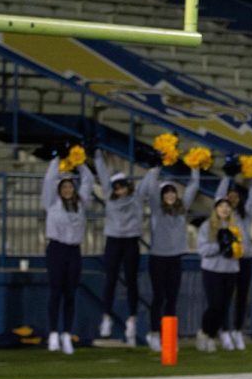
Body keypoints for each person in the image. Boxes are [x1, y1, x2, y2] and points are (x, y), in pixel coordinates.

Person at [41, 156, 94, 355]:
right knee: (56, 292)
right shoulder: (51, 202)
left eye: (70, 187)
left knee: (70, 293)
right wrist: (56, 159)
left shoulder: (81, 203)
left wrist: (78, 160)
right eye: (64, 187)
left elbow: (88, 179)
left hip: (74, 250)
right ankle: (53, 333)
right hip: (56, 249)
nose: (68, 190)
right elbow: (48, 180)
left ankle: (67, 334)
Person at [143, 167, 199, 352]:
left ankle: (169, 337)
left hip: (175, 259)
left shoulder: (182, 211)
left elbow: (193, 187)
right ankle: (154, 333)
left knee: (172, 299)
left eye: (172, 191)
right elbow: (151, 190)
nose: (169, 195)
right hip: (158, 259)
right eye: (166, 192)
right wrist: (154, 170)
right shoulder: (157, 210)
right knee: (159, 298)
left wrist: (195, 168)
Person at [94, 150, 146, 346]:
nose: (120, 190)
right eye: (116, 187)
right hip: (114, 241)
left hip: (131, 241)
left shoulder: (136, 199)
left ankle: (132, 320)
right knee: (110, 279)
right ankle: (106, 316)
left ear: (128, 186)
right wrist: (97, 155)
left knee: (132, 281)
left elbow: (148, 182)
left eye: (122, 186)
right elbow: (103, 176)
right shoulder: (109, 197)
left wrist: (154, 166)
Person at [215, 157, 252, 350]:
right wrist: (227, 177)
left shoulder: (245, 214)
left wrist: (251, 176)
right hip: (229, 260)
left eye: (236, 196)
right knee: (226, 296)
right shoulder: (223, 216)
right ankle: (224, 330)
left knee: (242, 296)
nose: (233, 199)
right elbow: (218, 196)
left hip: (246, 258)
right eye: (229, 196)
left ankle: (237, 330)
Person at [195, 198, 242, 352]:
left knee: (224, 307)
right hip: (212, 270)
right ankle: (205, 333)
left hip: (231, 270)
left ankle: (212, 335)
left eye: (227, 206)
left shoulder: (236, 226)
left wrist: (233, 248)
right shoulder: (207, 226)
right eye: (221, 206)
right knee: (214, 305)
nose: (224, 209)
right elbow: (202, 250)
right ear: (215, 209)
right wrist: (219, 246)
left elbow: (243, 248)